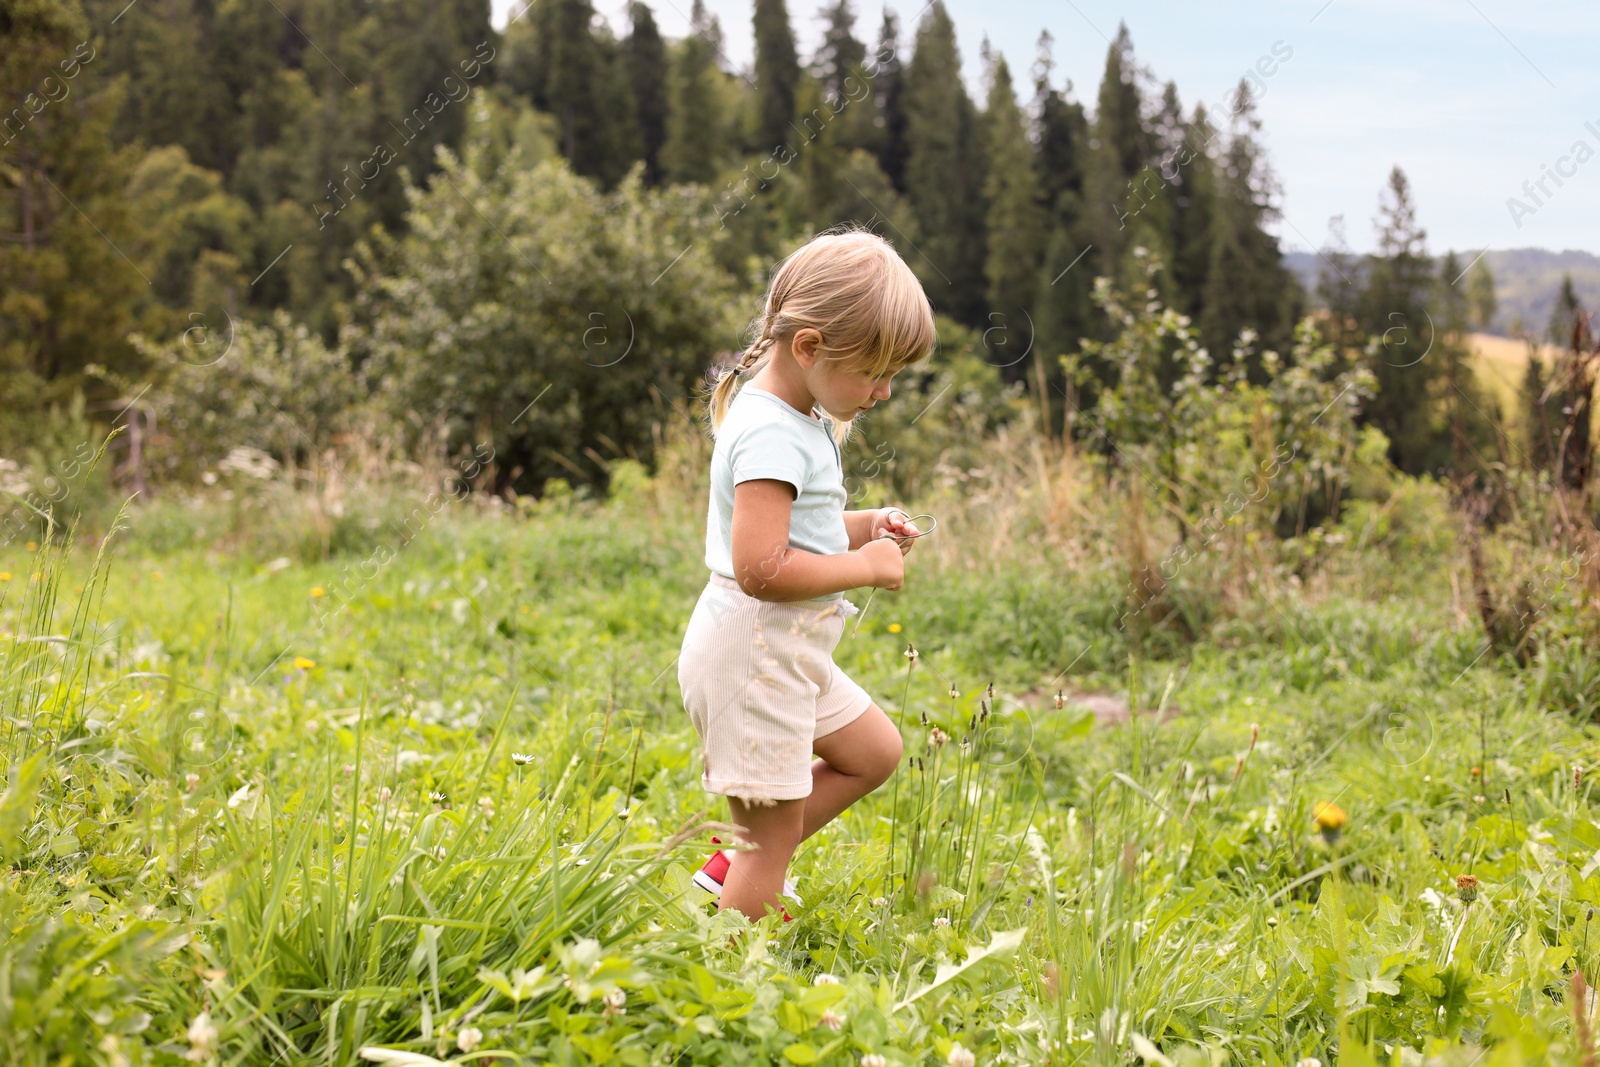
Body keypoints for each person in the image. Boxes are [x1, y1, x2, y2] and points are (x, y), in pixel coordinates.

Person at [677, 227, 937, 923]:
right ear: (810, 347)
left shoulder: (799, 416)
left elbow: (796, 530)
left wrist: (864, 526)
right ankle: (736, 990)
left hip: (784, 655)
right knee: (773, 840)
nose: (884, 392)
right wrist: (865, 568)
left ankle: (741, 862)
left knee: (874, 751)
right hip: (753, 658)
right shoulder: (769, 432)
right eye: (876, 372)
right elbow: (759, 567)